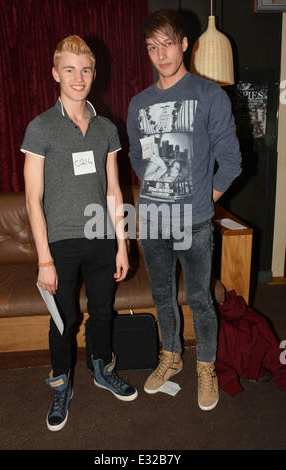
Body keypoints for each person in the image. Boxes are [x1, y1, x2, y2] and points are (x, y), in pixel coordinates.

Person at [127, 9, 242, 411]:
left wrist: (203, 197)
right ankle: (171, 356)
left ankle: (206, 367)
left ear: (185, 44)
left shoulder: (209, 95)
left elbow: (231, 160)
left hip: (193, 222)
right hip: (153, 221)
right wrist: (158, 187)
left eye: (168, 44)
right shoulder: (139, 103)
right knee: (161, 296)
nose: (161, 54)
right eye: (152, 47)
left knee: (200, 298)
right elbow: (137, 158)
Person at [22, 35, 137, 432]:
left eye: (85, 69)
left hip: (102, 238)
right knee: (63, 319)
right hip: (60, 243)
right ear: (55, 74)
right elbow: (32, 199)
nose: (78, 77)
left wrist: (123, 245)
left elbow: (112, 190)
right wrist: (44, 259)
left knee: (103, 311)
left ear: (94, 74)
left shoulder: (107, 128)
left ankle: (102, 369)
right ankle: (61, 383)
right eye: (69, 69)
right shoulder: (40, 128)